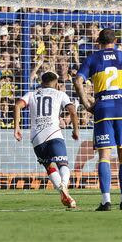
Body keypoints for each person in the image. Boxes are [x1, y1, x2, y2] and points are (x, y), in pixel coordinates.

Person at [73, 28, 122, 211]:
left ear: (98, 42)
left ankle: (106, 200)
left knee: (104, 156)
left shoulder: (92, 59)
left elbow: (77, 81)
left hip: (103, 108)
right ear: (115, 41)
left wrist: (86, 104)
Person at [14, 71, 80, 209]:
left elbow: (17, 105)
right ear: (56, 83)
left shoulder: (32, 94)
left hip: (37, 137)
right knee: (63, 164)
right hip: (54, 133)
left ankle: (63, 192)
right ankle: (64, 185)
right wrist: (75, 130)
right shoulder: (60, 94)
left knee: (49, 167)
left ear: (42, 81)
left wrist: (17, 128)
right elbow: (73, 111)